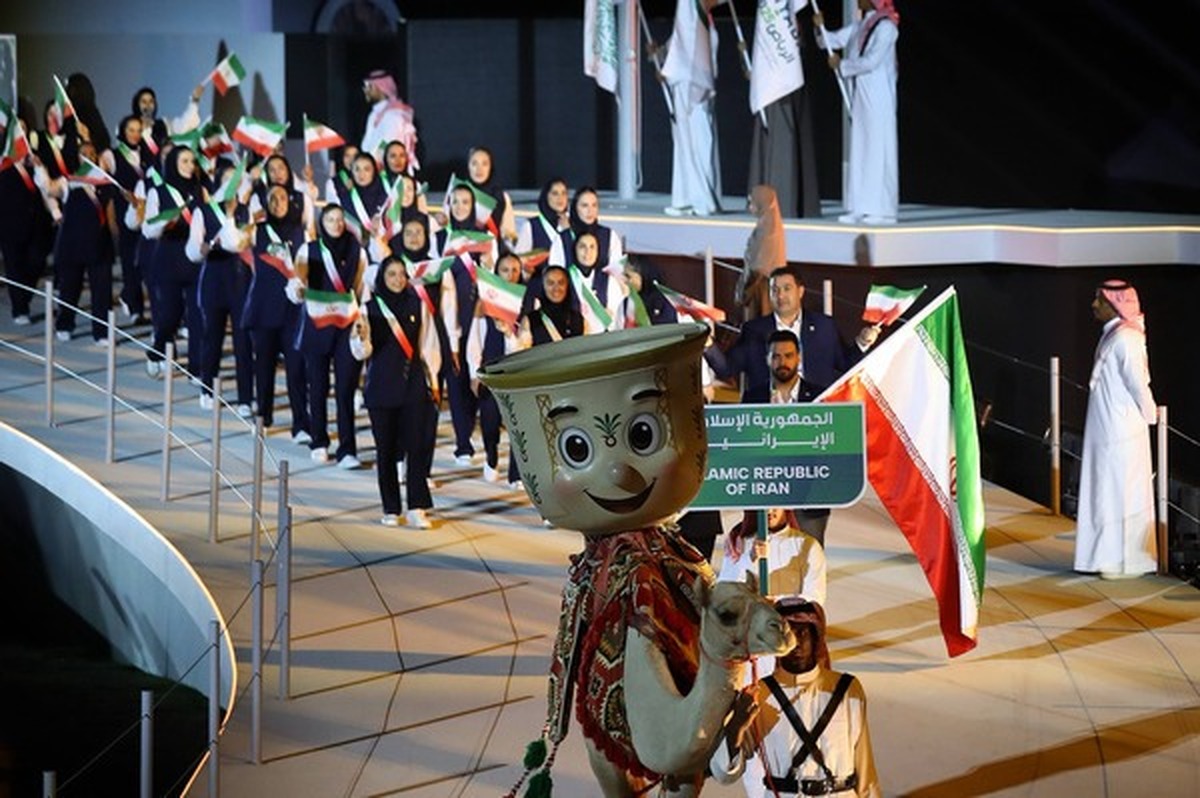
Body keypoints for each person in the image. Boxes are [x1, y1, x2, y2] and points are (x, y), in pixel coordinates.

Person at [711, 598, 880, 797]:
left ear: (816, 639)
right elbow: (723, 772)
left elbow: (865, 768)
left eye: (803, 633)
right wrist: (736, 725)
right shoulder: (759, 695)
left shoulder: (848, 689)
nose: (797, 643)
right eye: (788, 633)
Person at [1073, 280, 1158, 578]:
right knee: (1105, 490)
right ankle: (1103, 557)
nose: (1094, 305)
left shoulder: (1127, 339)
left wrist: (1151, 416)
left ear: (1115, 304)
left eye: (1099, 300)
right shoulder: (1114, 335)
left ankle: (1125, 561)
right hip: (1107, 428)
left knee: (1120, 490)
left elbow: (1138, 384)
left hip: (1123, 431)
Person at [351, 255, 440, 529]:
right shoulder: (367, 309)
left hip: (412, 384)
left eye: (402, 274)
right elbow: (359, 353)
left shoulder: (418, 304)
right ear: (382, 278)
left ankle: (417, 506)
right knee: (386, 450)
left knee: (416, 447)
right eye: (392, 274)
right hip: (381, 386)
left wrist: (433, 381)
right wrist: (361, 337)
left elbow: (429, 345)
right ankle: (391, 507)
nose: (398, 279)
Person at [291, 204, 367, 468]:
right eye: (330, 219)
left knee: (345, 388)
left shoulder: (357, 250)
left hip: (345, 325)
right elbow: (296, 284)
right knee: (318, 385)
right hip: (318, 323)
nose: (335, 224)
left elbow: (360, 287)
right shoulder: (308, 250)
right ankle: (319, 440)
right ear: (322, 222)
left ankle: (347, 449)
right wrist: (297, 292)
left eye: (339, 219)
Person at [815, 0, 899, 224]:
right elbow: (829, 41)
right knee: (860, 148)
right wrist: (819, 26)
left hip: (879, 96)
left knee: (878, 149)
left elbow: (871, 62)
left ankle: (882, 210)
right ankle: (859, 206)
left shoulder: (887, 28)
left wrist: (842, 65)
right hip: (860, 94)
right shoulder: (860, 26)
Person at [242, 184, 311, 442]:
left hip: (292, 311)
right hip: (263, 308)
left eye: (283, 197)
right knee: (264, 366)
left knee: (296, 369)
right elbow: (233, 239)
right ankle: (264, 418)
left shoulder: (300, 232)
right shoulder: (256, 231)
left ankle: (301, 424)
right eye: (272, 199)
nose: (278, 202)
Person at [187, 161, 254, 415]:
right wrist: (202, 248)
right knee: (212, 337)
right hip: (214, 279)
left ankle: (246, 397)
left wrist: (231, 223)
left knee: (243, 342)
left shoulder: (245, 212)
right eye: (227, 179)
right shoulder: (203, 211)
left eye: (235, 180)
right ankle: (208, 388)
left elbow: (243, 243)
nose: (231, 185)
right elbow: (193, 250)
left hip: (240, 281)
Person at [747, 2, 821, 219]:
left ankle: (786, 201)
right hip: (773, 82)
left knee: (786, 142)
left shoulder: (792, 30)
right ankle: (766, 199)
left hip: (787, 84)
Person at [141, 145, 203, 374]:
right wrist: (164, 223)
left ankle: (197, 369)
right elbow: (148, 228)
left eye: (192, 162)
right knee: (170, 314)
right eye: (184, 161)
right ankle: (158, 348)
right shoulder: (158, 192)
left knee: (197, 318)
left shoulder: (200, 190)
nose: (190, 166)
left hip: (195, 260)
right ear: (173, 164)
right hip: (168, 259)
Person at [466, 252, 527, 485]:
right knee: (490, 422)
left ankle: (516, 473)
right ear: (497, 272)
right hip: (491, 372)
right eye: (505, 269)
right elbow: (475, 340)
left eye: (515, 270)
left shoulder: (527, 302)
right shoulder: (485, 302)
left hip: (517, 372)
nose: (510, 275)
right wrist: (475, 372)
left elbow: (526, 343)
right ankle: (491, 456)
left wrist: (510, 334)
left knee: (516, 424)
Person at [661, 0, 723, 217]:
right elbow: (677, 43)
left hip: (697, 88)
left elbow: (694, 53)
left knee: (700, 143)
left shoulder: (703, 22)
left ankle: (703, 200)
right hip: (684, 83)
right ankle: (684, 199)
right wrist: (661, 55)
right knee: (684, 144)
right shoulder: (689, 17)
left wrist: (668, 66)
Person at [720, 508, 827, 607]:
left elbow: (815, 597)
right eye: (764, 506)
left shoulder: (807, 546)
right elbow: (724, 590)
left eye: (775, 504)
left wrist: (778, 602)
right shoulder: (738, 545)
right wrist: (749, 559)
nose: (769, 511)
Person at [738, 185, 787, 322]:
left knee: (759, 326)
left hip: (761, 287)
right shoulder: (767, 225)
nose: (750, 207)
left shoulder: (767, 231)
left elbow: (759, 265)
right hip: (763, 285)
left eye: (752, 202)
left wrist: (744, 290)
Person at [360, 69, 419, 173]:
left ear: (381, 88)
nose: (366, 90)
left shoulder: (394, 115)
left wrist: (371, 164)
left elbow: (387, 146)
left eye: (370, 87)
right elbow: (365, 147)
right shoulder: (373, 115)